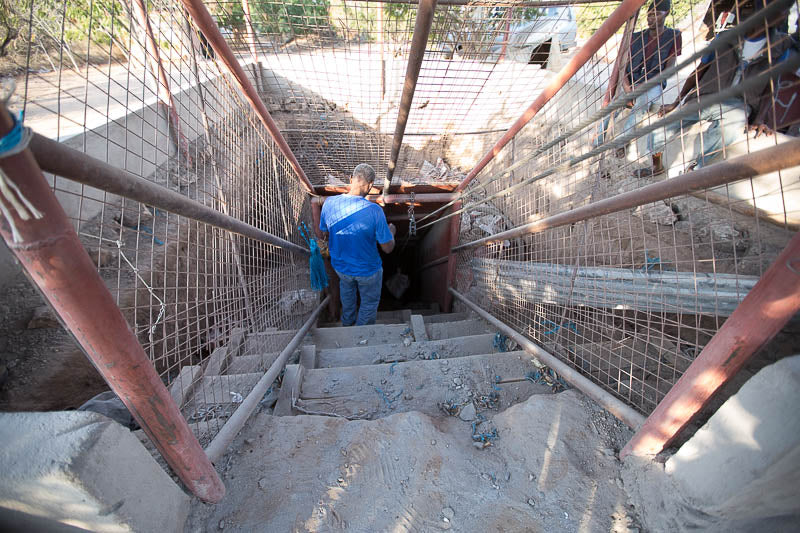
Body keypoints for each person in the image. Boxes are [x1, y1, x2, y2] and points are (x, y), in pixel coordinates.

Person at [657, 0, 795, 170]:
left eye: (785, 11)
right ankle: (656, 163)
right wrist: (676, 102)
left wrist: (759, 119)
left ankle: (694, 169)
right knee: (664, 127)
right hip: (707, 95)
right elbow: (699, 71)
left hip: (740, 104)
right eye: (779, 10)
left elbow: (772, 85)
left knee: (728, 131)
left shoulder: (781, 46)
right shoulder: (725, 37)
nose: (783, 15)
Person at [319, 164, 396, 326]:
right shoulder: (375, 211)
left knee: (347, 296)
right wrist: (392, 233)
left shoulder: (329, 203)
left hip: (341, 268)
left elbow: (324, 232)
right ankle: (361, 334)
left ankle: (347, 325)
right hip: (368, 271)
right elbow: (387, 248)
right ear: (371, 186)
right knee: (368, 304)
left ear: (351, 179)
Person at [621, 0, 682, 177]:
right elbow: (622, 65)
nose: (651, 18)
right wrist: (627, 87)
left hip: (654, 83)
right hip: (632, 82)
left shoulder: (673, 36)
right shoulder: (637, 36)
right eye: (649, 14)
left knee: (642, 106)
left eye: (656, 14)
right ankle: (602, 142)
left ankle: (622, 142)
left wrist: (643, 86)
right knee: (612, 108)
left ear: (666, 14)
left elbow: (670, 69)